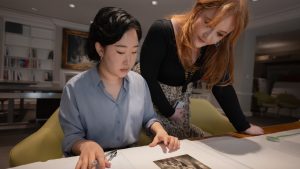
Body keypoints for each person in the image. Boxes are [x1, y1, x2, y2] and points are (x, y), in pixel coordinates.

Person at [59, 7, 180, 169]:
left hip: (129, 158)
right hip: (91, 162)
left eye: (134, 52)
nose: (128, 61)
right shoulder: (74, 88)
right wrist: (85, 145)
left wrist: (160, 131)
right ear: (100, 49)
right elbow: (71, 137)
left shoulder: (139, 83)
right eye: (120, 51)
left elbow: (149, 118)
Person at [136, 0, 264, 138]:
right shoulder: (162, 30)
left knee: (194, 141)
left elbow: (222, 87)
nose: (209, 37)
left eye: (220, 34)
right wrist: (169, 112)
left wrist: (244, 125)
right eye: (208, 23)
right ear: (198, 9)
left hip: (177, 109)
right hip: (146, 101)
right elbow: (148, 78)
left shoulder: (215, 49)